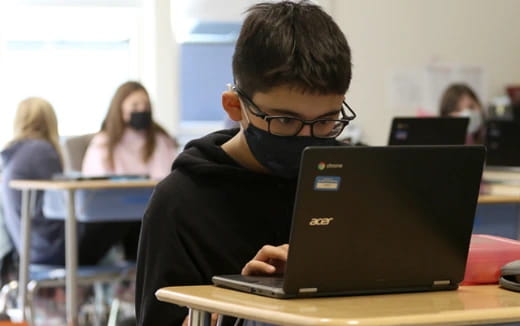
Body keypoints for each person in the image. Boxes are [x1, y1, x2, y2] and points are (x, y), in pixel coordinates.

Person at [135, 1, 355, 325]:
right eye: (284, 121)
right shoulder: (180, 204)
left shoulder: (352, 184)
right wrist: (238, 302)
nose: (307, 137)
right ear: (235, 107)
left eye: (326, 121)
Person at [0, 97, 140, 266]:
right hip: (56, 251)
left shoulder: (14, 155)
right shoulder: (41, 151)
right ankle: (136, 283)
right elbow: (60, 204)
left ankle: (128, 282)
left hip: (33, 251)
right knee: (132, 213)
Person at [82, 81, 178, 179]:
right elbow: (95, 183)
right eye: (135, 105)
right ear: (120, 108)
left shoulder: (160, 140)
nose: (142, 110)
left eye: (146, 105)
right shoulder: (104, 142)